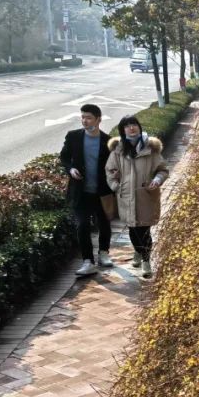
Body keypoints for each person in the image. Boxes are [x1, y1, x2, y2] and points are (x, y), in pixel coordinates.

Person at [105, 115, 168, 278]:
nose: (131, 128)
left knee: (144, 230)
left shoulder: (150, 149)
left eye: (134, 125)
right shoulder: (118, 151)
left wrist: (157, 179)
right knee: (133, 229)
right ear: (122, 130)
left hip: (146, 196)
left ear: (139, 127)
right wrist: (116, 186)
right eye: (127, 126)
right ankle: (138, 252)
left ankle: (146, 261)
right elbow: (110, 172)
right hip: (126, 196)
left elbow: (162, 169)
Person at [60, 103, 114, 277]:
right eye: (82, 117)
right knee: (82, 225)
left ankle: (104, 253)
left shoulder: (108, 141)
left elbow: (115, 165)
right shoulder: (73, 137)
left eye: (88, 117)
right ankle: (87, 261)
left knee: (104, 223)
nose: (84, 120)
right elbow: (64, 157)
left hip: (102, 191)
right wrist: (70, 169)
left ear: (98, 119)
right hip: (80, 192)